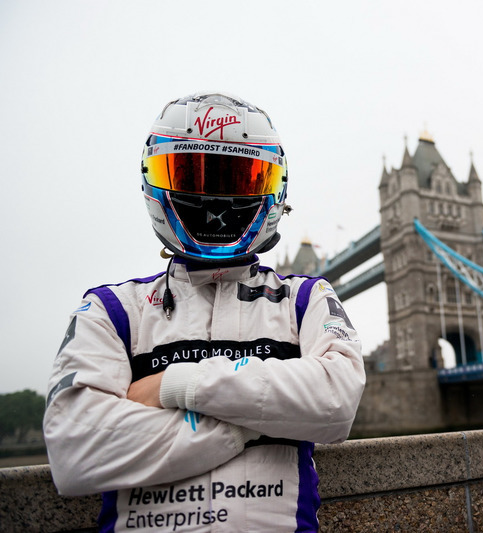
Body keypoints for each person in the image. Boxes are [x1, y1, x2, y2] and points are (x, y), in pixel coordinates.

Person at [43, 92, 366, 532]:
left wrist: (174, 386)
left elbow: (337, 403)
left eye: (240, 179)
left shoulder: (306, 297)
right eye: (193, 175)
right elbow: (75, 451)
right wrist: (262, 420)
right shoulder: (112, 311)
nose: (215, 200)